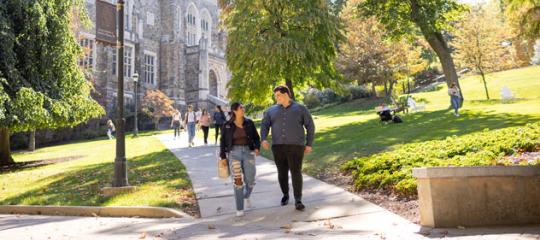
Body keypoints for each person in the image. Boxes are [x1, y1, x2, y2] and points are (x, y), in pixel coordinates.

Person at [260, 85, 315, 211]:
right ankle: (285, 195)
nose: (276, 98)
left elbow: (310, 126)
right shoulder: (271, 111)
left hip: (296, 146)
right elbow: (264, 125)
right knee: (282, 173)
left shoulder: (301, 109)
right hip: (278, 146)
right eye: (275, 96)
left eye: (278, 95)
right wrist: (263, 139)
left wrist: (309, 144)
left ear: (286, 94)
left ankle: (298, 199)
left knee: (296, 172)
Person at [220, 102, 261, 217]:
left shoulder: (249, 123)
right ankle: (239, 208)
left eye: (243, 107)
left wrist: (257, 147)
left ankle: (246, 195)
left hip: (248, 152)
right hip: (234, 154)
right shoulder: (227, 125)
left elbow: (256, 137)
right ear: (235, 111)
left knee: (251, 179)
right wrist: (223, 156)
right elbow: (222, 141)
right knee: (237, 181)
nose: (243, 109)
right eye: (241, 108)